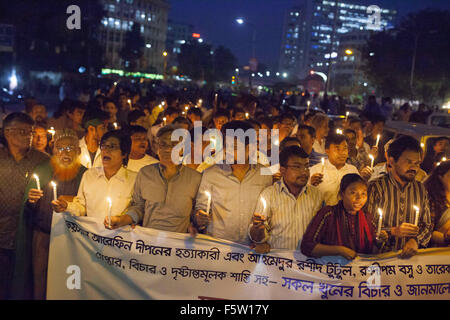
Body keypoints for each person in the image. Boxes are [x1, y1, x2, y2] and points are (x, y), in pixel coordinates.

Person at [12, 129, 87, 300]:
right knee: (41, 276)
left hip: (73, 238)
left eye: (70, 148)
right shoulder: (43, 171)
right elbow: (29, 211)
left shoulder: (86, 175)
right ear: (53, 150)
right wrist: (31, 201)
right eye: (60, 148)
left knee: (70, 279)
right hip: (43, 235)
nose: (65, 153)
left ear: (78, 151)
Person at [191, 121, 273, 244]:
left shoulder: (264, 175)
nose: (227, 151)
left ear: (250, 148)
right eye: (226, 146)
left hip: (250, 248)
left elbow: (268, 214)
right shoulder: (211, 174)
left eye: (234, 147)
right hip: (217, 246)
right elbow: (201, 208)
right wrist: (199, 217)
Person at [109, 125, 202, 233]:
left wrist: (197, 222)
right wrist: (121, 220)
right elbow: (138, 207)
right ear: (157, 148)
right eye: (163, 144)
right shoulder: (145, 174)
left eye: (173, 145)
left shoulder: (195, 178)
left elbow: (195, 213)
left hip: (179, 243)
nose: (167, 149)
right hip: (149, 242)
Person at [0, 113, 48, 299]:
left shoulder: (41, 161)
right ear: (8, 133)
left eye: (31, 131)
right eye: (23, 132)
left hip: (27, 238)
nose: (29, 136)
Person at [366, 136, 433, 258]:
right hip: (380, 260)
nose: (414, 168)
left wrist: (415, 241)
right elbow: (366, 227)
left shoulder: (420, 189)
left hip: (410, 263)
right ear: (392, 161)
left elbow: (427, 225)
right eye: (409, 162)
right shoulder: (375, 187)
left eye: (417, 163)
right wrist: (392, 231)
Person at [249, 146, 324, 252]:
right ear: (283, 170)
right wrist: (258, 230)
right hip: (277, 263)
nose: (304, 172)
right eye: (297, 167)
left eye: (307, 166)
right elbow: (258, 237)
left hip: (308, 263)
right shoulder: (269, 195)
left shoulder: (317, 195)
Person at [52, 130, 137, 220]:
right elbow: (82, 207)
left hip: (119, 233)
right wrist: (67, 206)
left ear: (124, 153)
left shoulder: (134, 180)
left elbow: (137, 209)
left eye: (112, 147)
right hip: (93, 232)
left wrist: (124, 220)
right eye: (103, 146)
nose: (106, 151)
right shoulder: (89, 175)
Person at [301, 174, 387, 259]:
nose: (359, 198)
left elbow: (371, 253)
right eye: (353, 193)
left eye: (363, 193)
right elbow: (307, 246)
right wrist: (339, 250)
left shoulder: (367, 217)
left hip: (357, 271)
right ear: (342, 194)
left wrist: (379, 242)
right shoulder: (328, 214)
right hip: (331, 270)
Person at [309, 133, 360, 206]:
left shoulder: (352, 170)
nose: (342, 153)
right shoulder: (316, 170)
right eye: (337, 149)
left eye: (345, 148)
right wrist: (311, 185)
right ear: (327, 151)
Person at [424, 161, 450, 247]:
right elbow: (426, 231)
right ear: (440, 177)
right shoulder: (431, 200)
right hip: (435, 252)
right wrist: (445, 239)